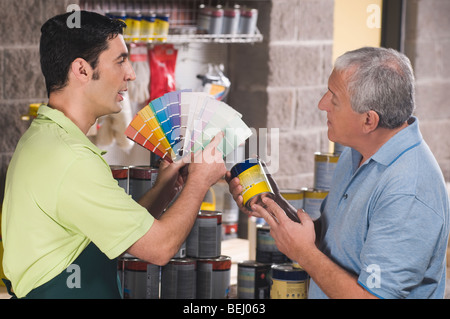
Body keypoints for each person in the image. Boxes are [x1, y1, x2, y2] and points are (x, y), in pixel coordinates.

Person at [1, 11, 226, 299]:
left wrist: (165, 187)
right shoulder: (71, 158)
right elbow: (159, 248)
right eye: (120, 61)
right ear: (82, 70)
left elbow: (122, 234)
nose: (131, 74)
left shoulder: (44, 138)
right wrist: (200, 180)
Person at [227, 47, 450, 299]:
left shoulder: (408, 191)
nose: (322, 104)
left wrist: (304, 254)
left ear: (369, 121)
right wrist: (271, 204)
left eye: (334, 99)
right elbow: (335, 242)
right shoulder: (356, 152)